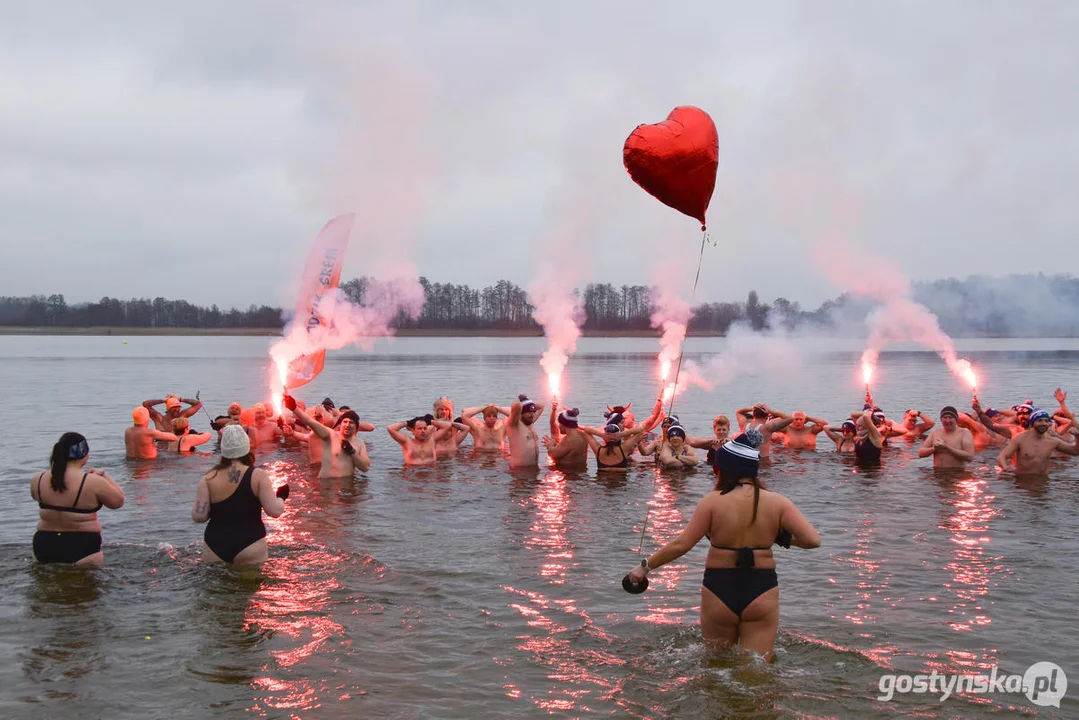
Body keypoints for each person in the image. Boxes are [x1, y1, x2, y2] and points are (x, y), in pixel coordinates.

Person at [625, 430, 820, 660]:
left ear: (724, 469)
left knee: (716, 666)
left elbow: (681, 545)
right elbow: (813, 540)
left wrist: (644, 567)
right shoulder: (778, 502)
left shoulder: (712, 501)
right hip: (761, 588)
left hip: (719, 588)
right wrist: (781, 538)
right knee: (757, 670)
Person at [191, 425, 288, 565]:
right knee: (249, 586)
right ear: (246, 447)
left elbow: (199, 517)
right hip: (250, 545)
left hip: (214, 545)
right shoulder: (257, 476)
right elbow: (275, 511)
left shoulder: (208, 478)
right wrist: (281, 497)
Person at [30, 433, 125, 565]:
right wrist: (104, 475)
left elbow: (39, 496)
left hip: (43, 544)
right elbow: (118, 502)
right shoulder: (93, 481)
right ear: (84, 454)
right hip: (82, 546)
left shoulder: (38, 479)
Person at [286, 396, 371, 476]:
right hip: (327, 485)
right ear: (340, 424)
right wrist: (294, 408)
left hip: (347, 487)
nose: (347, 425)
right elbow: (310, 421)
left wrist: (352, 452)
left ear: (356, 426)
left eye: (351, 423)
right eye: (345, 422)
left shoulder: (359, 443)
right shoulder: (330, 435)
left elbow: (365, 468)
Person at [996, 409, 1079, 475]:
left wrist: (1077, 437)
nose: (1043, 423)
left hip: (1043, 482)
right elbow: (1001, 457)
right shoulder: (1020, 439)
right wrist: (1005, 467)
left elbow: (1075, 451)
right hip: (1022, 482)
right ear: (1032, 423)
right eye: (1039, 421)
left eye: (1046, 421)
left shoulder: (1053, 441)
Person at [386, 414, 460, 466]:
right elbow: (390, 428)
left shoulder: (432, 440)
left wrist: (430, 421)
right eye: (419, 428)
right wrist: (408, 422)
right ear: (413, 431)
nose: (423, 431)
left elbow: (447, 426)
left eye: (425, 428)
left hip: (430, 472)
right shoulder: (407, 441)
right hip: (412, 471)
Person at [543, 405, 594, 471]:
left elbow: (552, 454)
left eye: (559, 424)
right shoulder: (583, 435)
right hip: (581, 471)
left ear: (564, 424)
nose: (559, 427)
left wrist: (550, 445)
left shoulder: (569, 439)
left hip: (568, 473)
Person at [506, 394, 545, 469]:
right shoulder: (514, 425)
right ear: (520, 413)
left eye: (533, 411)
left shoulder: (530, 423)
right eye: (529, 412)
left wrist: (528, 402)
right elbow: (516, 406)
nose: (532, 414)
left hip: (534, 469)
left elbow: (542, 406)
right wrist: (523, 400)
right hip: (519, 471)